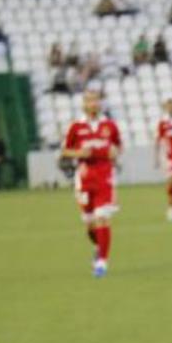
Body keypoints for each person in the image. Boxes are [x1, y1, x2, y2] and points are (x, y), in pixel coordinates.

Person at [60, 90, 122, 277]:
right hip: (84, 179)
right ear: (84, 104)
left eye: (96, 100)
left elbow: (118, 146)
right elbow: (65, 151)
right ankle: (98, 246)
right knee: (90, 224)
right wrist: (79, 153)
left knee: (102, 218)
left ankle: (102, 262)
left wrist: (115, 152)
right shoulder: (76, 127)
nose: (93, 104)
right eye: (89, 101)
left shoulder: (109, 125)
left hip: (105, 177)